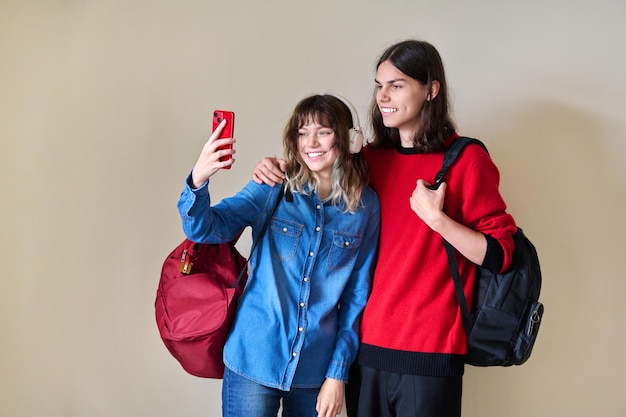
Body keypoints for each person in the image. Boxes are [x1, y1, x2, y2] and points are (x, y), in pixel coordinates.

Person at [251, 40, 518, 417]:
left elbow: (500, 255)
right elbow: (313, 169)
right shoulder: (368, 160)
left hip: (431, 350)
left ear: (431, 89)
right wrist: (271, 167)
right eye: (379, 86)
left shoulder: (466, 160)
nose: (383, 96)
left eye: (397, 84)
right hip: (366, 351)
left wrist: (438, 220)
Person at [177, 94, 380, 417]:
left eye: (324, 131)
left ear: (349, 139)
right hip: (253, 360)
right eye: (302, 132)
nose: (311, 142)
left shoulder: (366, 207)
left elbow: (357, 296)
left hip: (316, 371)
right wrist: (199, 178)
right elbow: (205, 229)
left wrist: (337, 373)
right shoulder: (272, 186)